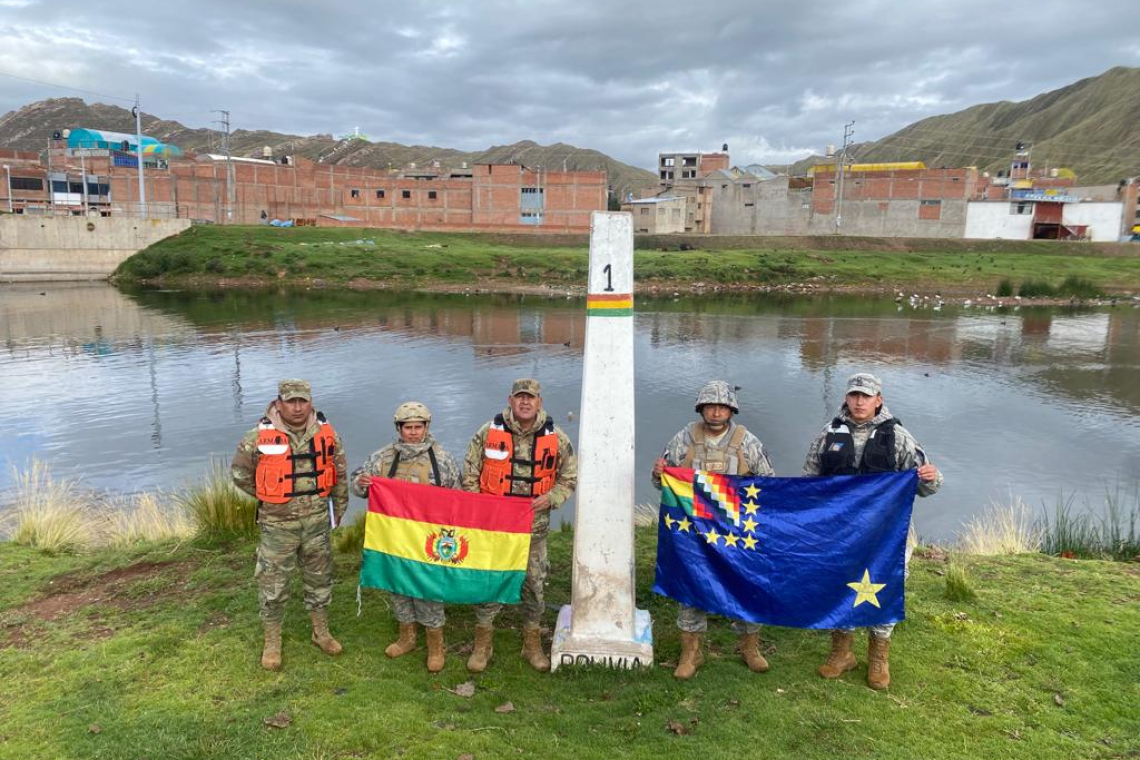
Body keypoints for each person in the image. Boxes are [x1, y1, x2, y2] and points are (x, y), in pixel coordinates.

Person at [803, 372, 943, 690]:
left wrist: (930, 476)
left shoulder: (899, 437)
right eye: (854, 395)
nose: (859, 402)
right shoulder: (828, 435)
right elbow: (808, 482)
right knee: (841, 585)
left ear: (878, 399)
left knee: (885, 586)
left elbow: (928, 487)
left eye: (866, 396)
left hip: (888, 535)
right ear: (846, 398)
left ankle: (879, 655)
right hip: (842, 534)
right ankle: (842, 652)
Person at [652, 380, 776, 680]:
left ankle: (749, 647)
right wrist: (658, 474)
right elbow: (661, 482)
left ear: (731, 410)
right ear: (701, 409)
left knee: (746, 586)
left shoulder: (747, 442)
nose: (716, 412)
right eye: (711, 406)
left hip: (736, 531)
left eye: (722, 407)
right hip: (694, 531)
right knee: (692, 586)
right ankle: (691, 652)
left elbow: (769, 485)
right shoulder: (684, 438)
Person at [461, 378, 577, 673]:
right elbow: (470, 473)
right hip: (495, 529)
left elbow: (569, 478)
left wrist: (551, 498)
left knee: (534, 586)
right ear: (510, 400)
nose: (525, 402)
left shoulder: (557, 438)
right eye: (520, 397)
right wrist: (481, 507)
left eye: (531, 397)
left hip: (533, 530)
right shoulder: (488, 433)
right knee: (489, 583)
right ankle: (483, 645)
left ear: (540, 402)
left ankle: (532, 644)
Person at [231, 379, 349, 671]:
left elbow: (339, 472)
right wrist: (269, 495)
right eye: (291, 401)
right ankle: (272, 642)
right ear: (279, 403)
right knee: (273, 583)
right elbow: (240, 473)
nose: (297, 407)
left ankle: (321, 632)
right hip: (277, 526)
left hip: (317, 523)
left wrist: (339, 508)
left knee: (320, 579)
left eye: (302, 401)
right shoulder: (258, 436)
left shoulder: (327, 434)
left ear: (310, 402)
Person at [350, 401, 462, 673]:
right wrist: (361, 482)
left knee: (428, 588)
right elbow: (358, 485)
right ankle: (407, 637)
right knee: (398, 585)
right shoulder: (383, 458)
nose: (413, 432)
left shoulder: (442, 459)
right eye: (407, 427)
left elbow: (457, 498)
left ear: (426, 427)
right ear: (399, 428)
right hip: (394, 538)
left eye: (418, 427)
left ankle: (436, 644)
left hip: (428, 539)